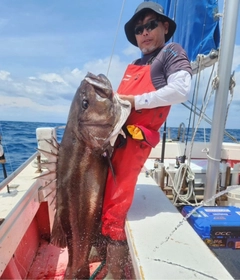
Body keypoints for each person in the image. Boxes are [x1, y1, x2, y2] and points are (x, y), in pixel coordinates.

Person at [92, 2, 192, 279]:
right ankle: (98, 250)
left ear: (165, 27)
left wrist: (137, 100)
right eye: (139, 29)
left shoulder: (171, 52)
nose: (144, 32)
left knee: (114, 204)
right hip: (113, 141)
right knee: (100, 195)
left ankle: (114, 271)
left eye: (150, 25)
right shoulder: (134, 64)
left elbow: (181, 90)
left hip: (134, 143)